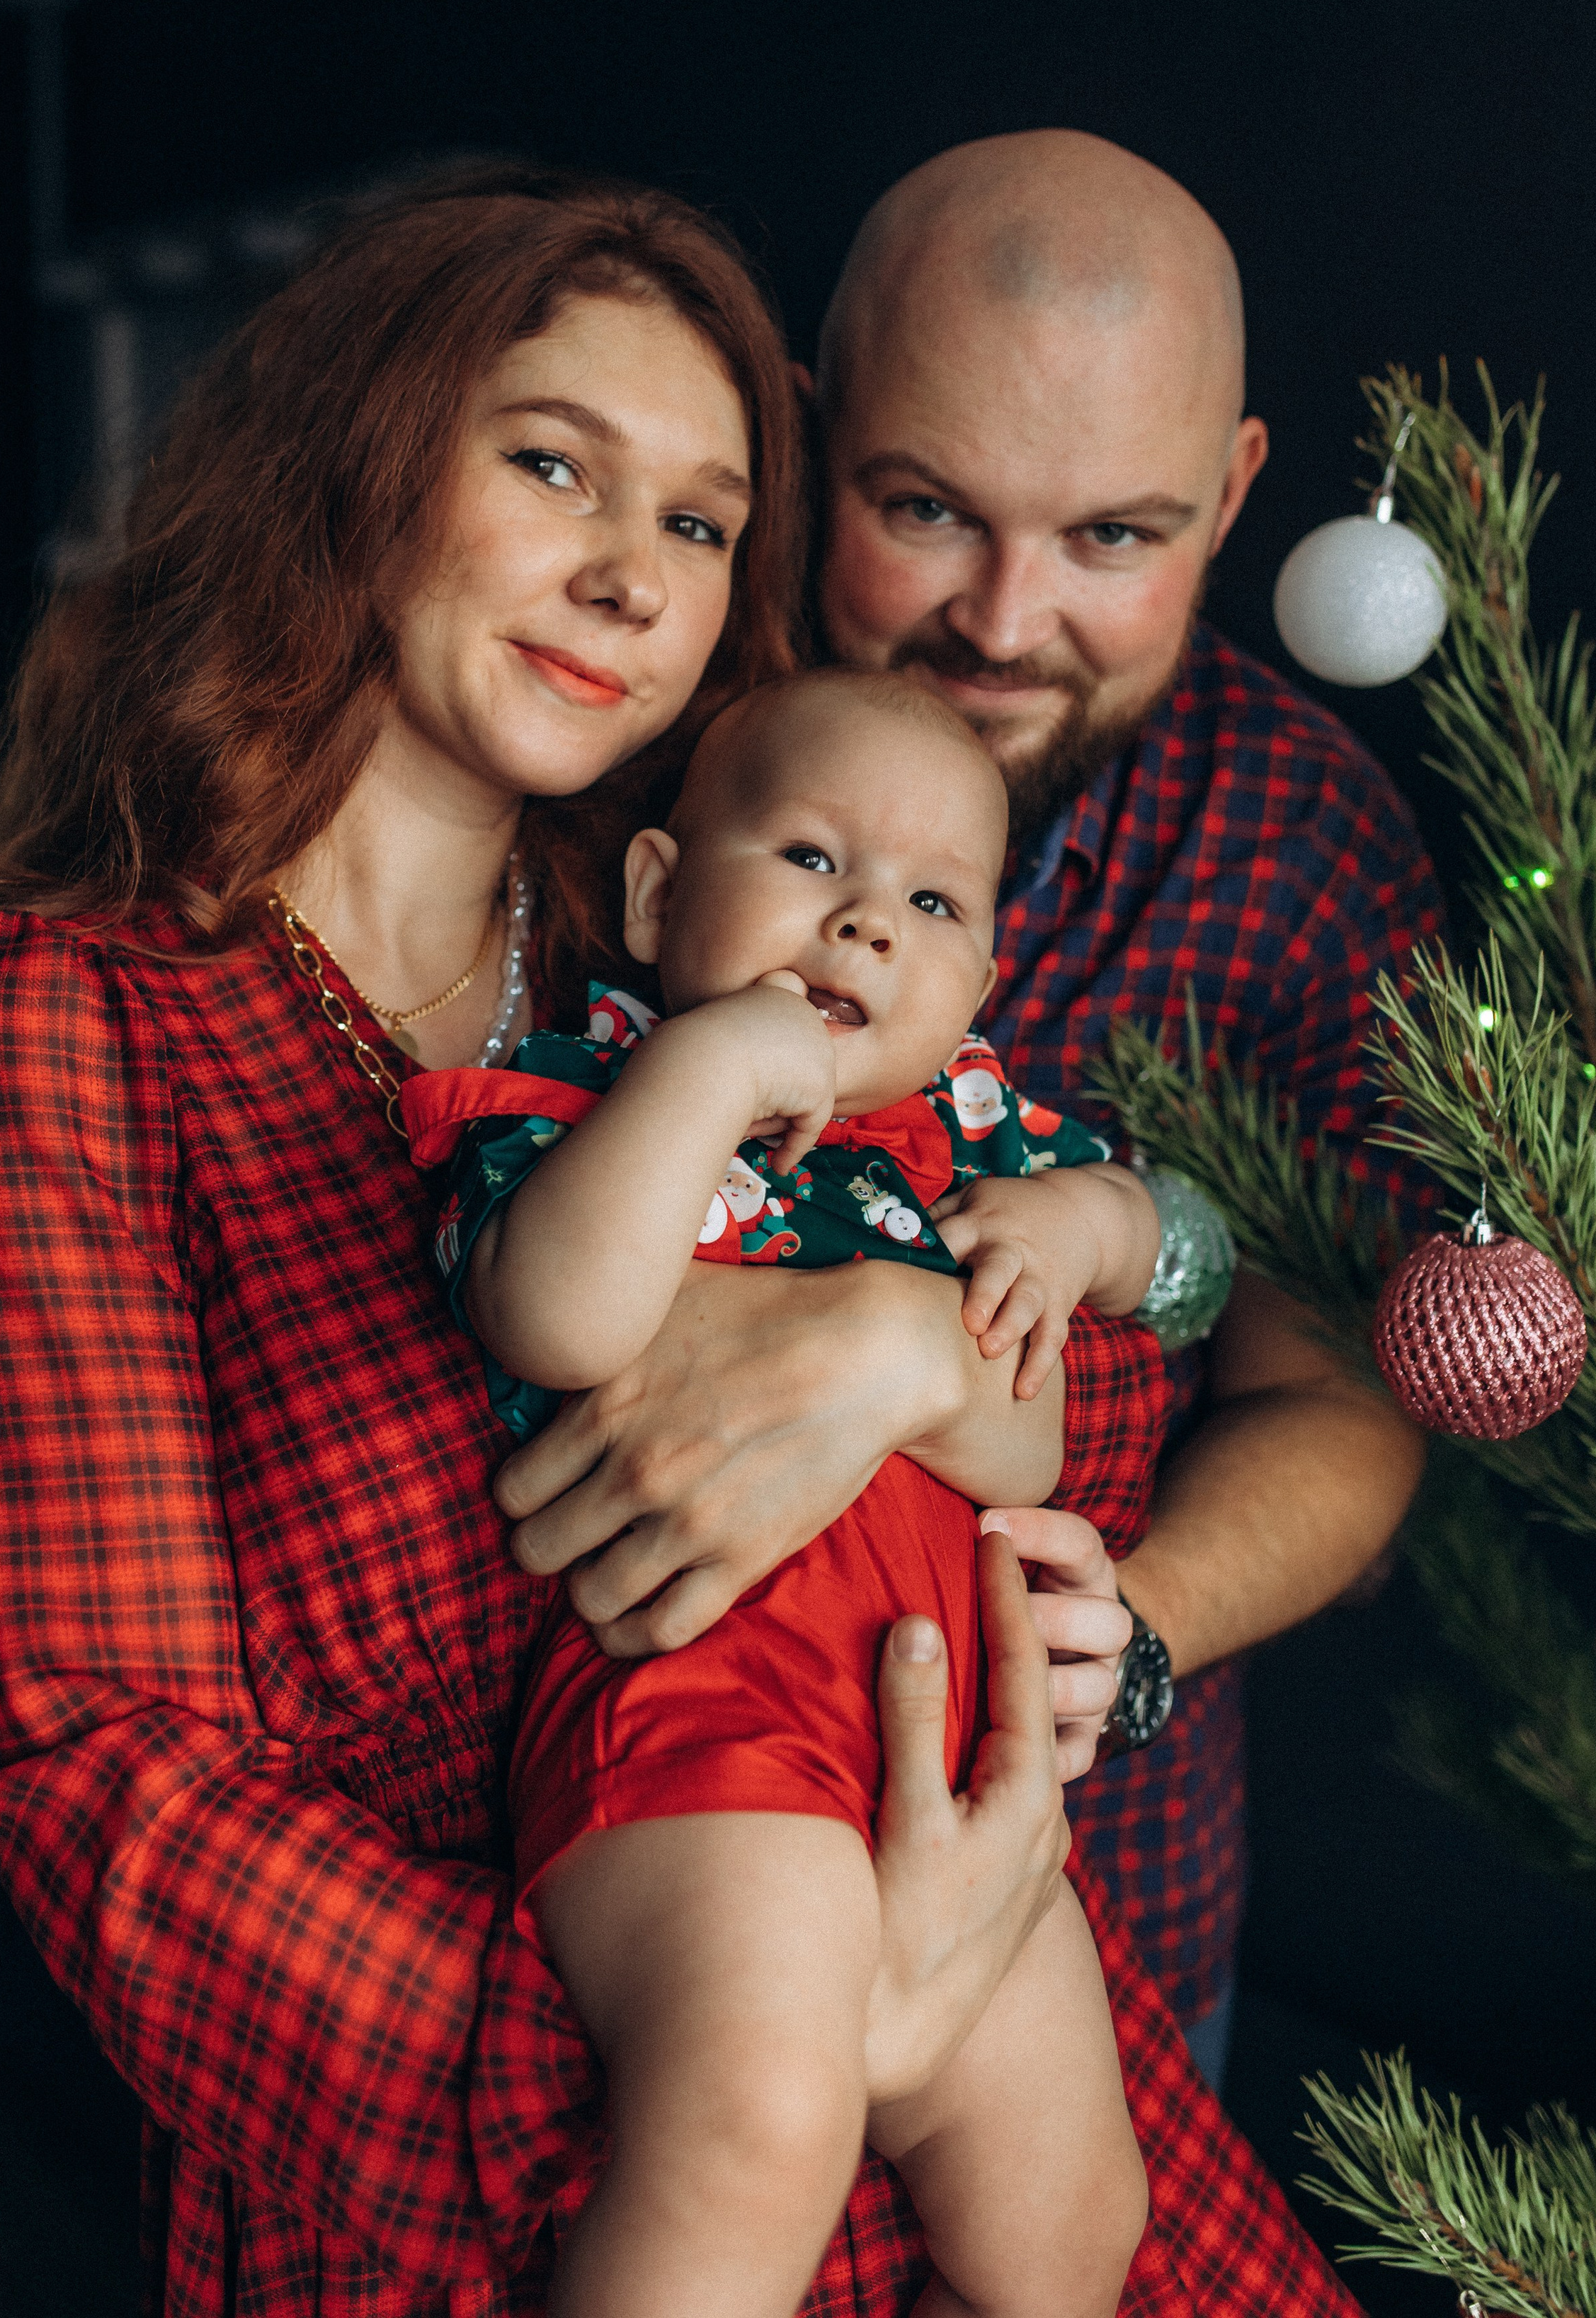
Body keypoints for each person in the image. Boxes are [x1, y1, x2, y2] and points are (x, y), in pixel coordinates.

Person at [0, 169, 1360, 2314]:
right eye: (554, 465)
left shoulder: (711, 911)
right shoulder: (76, 1013)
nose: (631, 578)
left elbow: (1084, 1447)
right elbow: (95, 1766)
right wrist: (780, 2052)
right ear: (359, 460)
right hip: (524, 2183)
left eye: (704, 525)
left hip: (1009, 2045)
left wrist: (922, 1346)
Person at [406, 668, 1161, 2318]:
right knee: (759, 2124)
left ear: (975, 982)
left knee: (1074, 2220)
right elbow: (554, 1314)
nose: (865, 925)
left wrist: (1079, 1230)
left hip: (953, 1762)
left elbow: (1022, 1451)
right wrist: (717, 1065)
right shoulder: (593, 1094)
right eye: (812, 860)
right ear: (664, 890)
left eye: (929, 901)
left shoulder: (965, 1159)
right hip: (700, 1739)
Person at [811, 130, 1444, 2076]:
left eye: (1114, 538)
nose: (1004, 625)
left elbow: (1338, 1401)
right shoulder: (635, 727)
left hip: (1108, 1921)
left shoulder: (1304, 844)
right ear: (812, 416)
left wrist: (1132, 1632)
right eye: (925, 506)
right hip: (573, 1872)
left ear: (1237, 492)